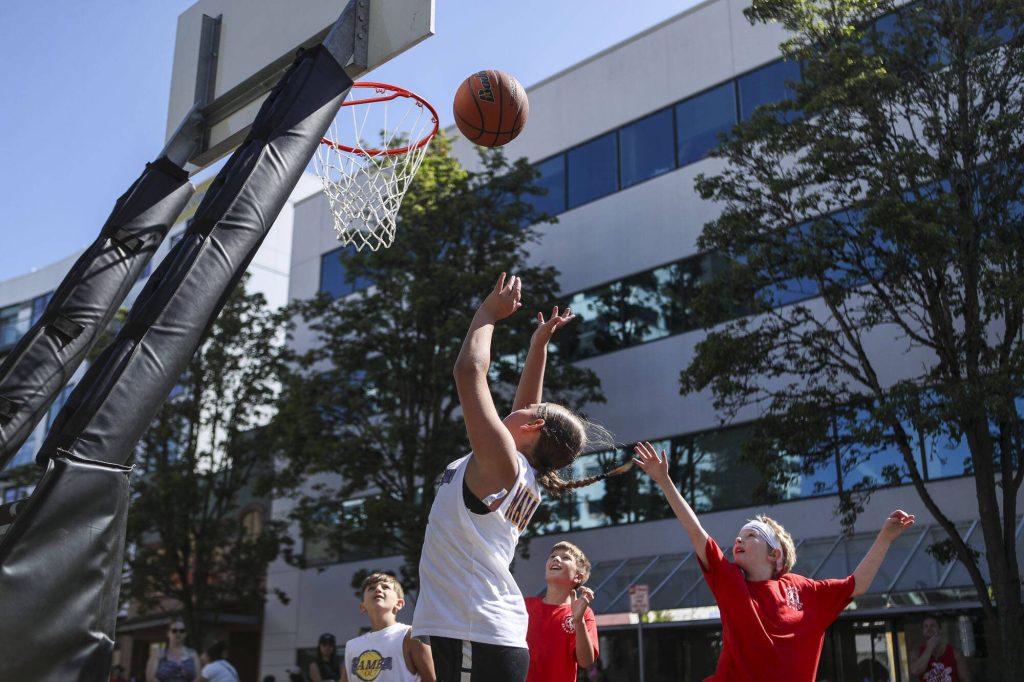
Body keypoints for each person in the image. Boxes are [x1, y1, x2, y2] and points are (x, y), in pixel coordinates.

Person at [412, 274, 630, 682]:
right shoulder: (516, 468)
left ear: (531, 430)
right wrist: (537, 347)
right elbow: (531, 407)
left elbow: (467, 371)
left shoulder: (504, 464)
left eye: (531, 413)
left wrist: (487, 313)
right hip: (480, 632)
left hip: (473, 631)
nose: (524, 407)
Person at [632, 441, 915, 682]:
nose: (739, 541)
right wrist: (664, 481)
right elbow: (695, 531)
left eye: (751, 535)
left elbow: (858, 584)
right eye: (739, 537)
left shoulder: (804, 590)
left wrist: (886, 537)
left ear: (775, 554)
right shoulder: (731, 582)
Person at [524, 541, 599, 682]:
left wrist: (579, 621)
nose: (556, 559)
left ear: (578, 577)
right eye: (553, 556)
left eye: (565, 558)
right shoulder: (524, 606)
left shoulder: (584, 613)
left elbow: (586, 661)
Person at [341, 572, 435, 682]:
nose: (378, 589)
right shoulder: (352, 646)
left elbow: (431, 679)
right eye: (371, 588)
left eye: (385, 587)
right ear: (362, 606)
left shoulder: (411, 635)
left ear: (399, 603)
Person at [909, 615, 971, 681]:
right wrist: (929, 648)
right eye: (926, 626)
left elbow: (965, 679)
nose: (929, 629)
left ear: (940, 630)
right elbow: (915, 672)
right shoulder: (916, 653)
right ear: (923, 632)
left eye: (932, 626)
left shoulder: (954, 653)